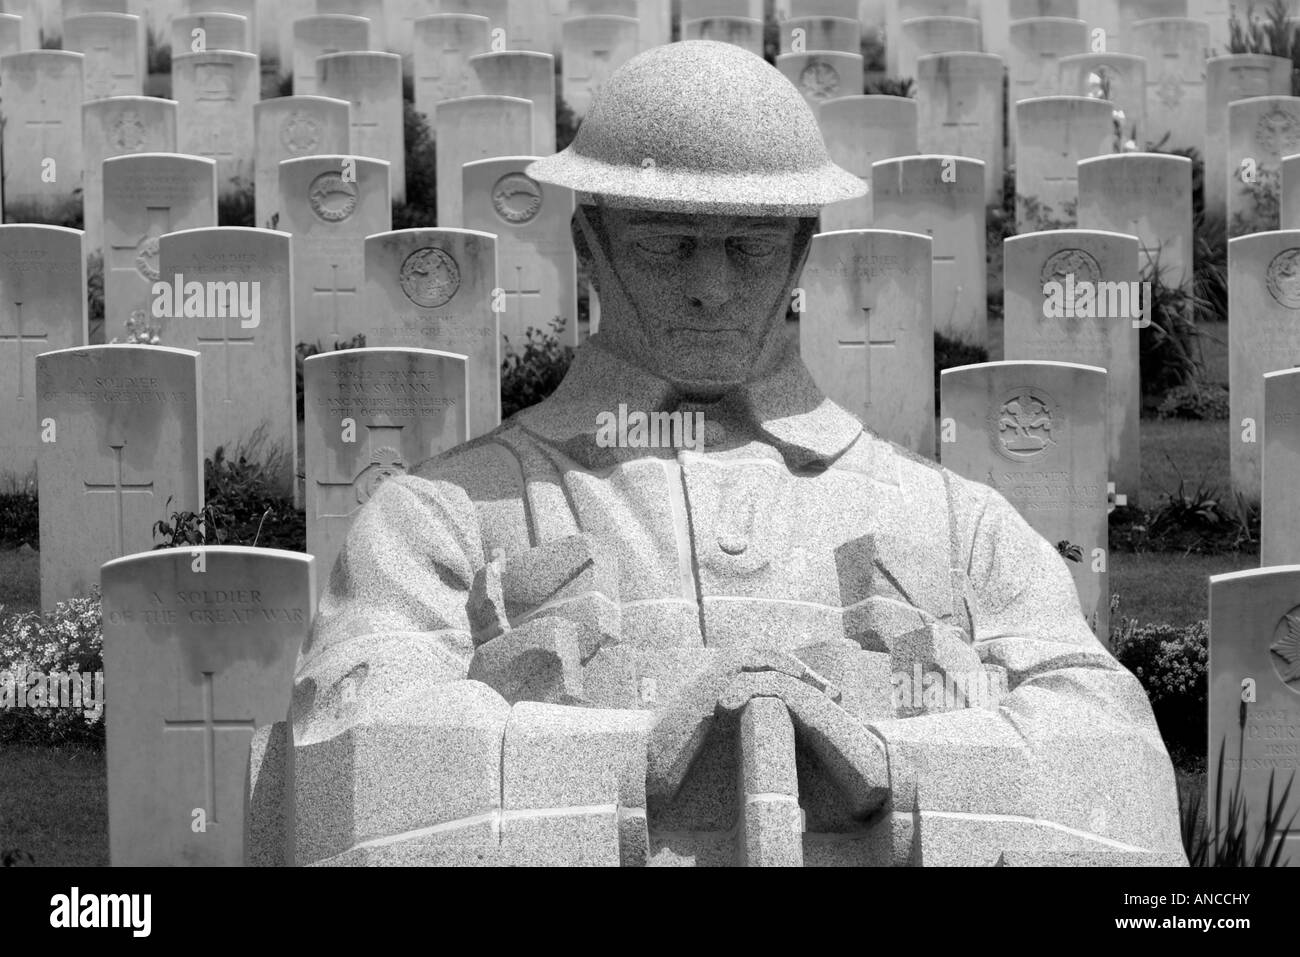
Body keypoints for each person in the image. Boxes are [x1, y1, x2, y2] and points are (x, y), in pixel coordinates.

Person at [287, 41, 1185, 866]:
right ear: (587, 244)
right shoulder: (440, 516)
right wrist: (632, 761)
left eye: (748, 249)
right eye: (668, 246)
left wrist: (895, 771)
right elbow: (344, 764)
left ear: (800, 250)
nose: (711, 288)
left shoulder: (961, 523)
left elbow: (1116, 766)